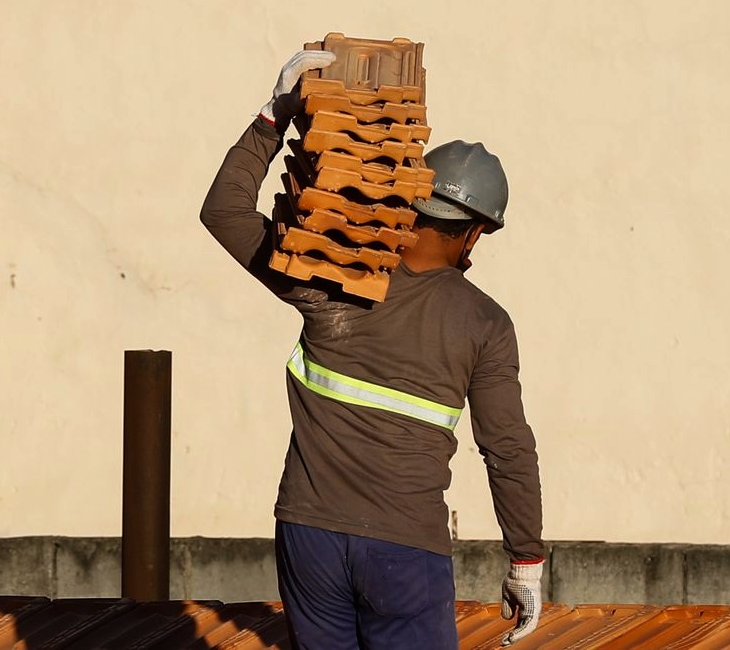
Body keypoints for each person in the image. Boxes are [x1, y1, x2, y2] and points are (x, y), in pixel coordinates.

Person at [201, 50, 545, 649]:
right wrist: (526, 561)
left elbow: (224, 211)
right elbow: (507, 448)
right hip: (405, 552)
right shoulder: (485, 324)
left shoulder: (329, 274)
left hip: (308, 536)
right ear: (474, 231)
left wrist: (273, 115)